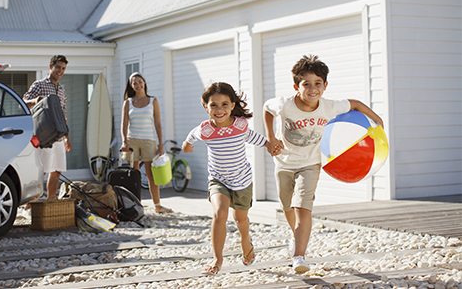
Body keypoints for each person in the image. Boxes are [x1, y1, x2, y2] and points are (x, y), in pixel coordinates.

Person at [263, 54, 384, 274]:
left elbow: (355, 104)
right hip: (284, 163)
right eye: (306, 84)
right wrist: (271, 138)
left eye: (318, 83)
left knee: (303, 206)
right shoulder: (285, 104)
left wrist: (378, 120)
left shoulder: (329, 106)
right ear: (296, 86)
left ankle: (299, 256)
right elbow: (266, 109)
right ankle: (295, 235)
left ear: (325, 85)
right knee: (287, 205)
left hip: (310, 164)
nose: (312, 89)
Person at [182, 82, 274, 275]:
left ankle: (245, 240)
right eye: (213, 105)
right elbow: (191, 136)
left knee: (240, 219)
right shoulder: (205, 130)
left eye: (224, 104)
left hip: (242, 180)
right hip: (218, 179)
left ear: (232, 105)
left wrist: (269, 145)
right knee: (220, 213)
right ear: (206, 106)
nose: (219, 109)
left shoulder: (240, 126)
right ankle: (217, 259)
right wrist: (187, 145)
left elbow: (253, 137)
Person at [121, 72, 173, 213]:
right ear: (131, 86)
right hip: (132, 141)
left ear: (144, 82)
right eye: (134, 83)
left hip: (149, 141)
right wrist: (124, 141)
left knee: (151, 175)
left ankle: (157, 206)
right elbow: (124, 124)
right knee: (133, 175)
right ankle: (135, 204)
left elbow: (158, 124)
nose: (138, 85)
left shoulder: (153, 101)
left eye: (140, 81)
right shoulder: (128, 102)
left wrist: (160, 144)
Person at [23, 55, 72, 202]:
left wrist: (67, 137)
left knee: (57, 170)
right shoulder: (39, 85)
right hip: (45, 136)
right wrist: (35, 100)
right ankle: (29, 203)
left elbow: (63, 114)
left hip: (59, 136)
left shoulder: (62, 90)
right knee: (42, 171)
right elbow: (23, 101)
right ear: (50, 66)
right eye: (58, 67)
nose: (60, 71)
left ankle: (51, 200)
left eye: (63, 68)